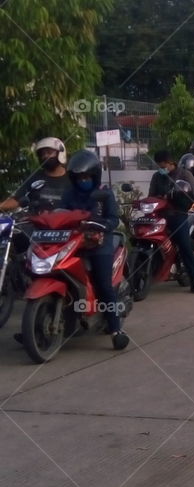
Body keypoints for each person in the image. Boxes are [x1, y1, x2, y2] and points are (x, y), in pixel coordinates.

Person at [59, 149, 130, 350]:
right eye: (79, 177)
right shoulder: (68, 194)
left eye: (87, 176)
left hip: (99, 243)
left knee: (103, 284)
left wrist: (102, 227)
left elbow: (113, 219)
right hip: (73, 242)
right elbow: (60, 213)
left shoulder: (105, 193)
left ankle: (116, 330)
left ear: (94, 175)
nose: (83, 180)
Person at [149, 150, 194, 294]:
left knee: (184, 245)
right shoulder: (157, 177)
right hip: (160, 214)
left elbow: (192, 197)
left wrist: (177, 197)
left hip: (178, 214)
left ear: (170, 163)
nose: (161, 168)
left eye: (162, 165)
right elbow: (151, 196)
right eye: (159, 165)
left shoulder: (185, 175)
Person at [0, 137, 71, 212]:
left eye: (49, 152)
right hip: (37, 221)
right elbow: (17, 200)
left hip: (68, 222)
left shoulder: (72, 177)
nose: (45, 156)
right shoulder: (34, 177)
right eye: (42, 154)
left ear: (60, 153)